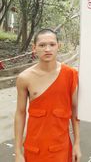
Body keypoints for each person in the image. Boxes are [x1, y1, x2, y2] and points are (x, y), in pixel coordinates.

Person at [14, 28, 81, 162]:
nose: (47, 49)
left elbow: (75, 111)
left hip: (60, 148)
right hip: (34, 149)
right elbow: (20, 113)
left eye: (52, 44)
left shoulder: (70, 74)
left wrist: (77, 144)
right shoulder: (24, 78)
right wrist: (17, 152)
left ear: (58, 46)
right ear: (34, 48)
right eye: (42, 45)